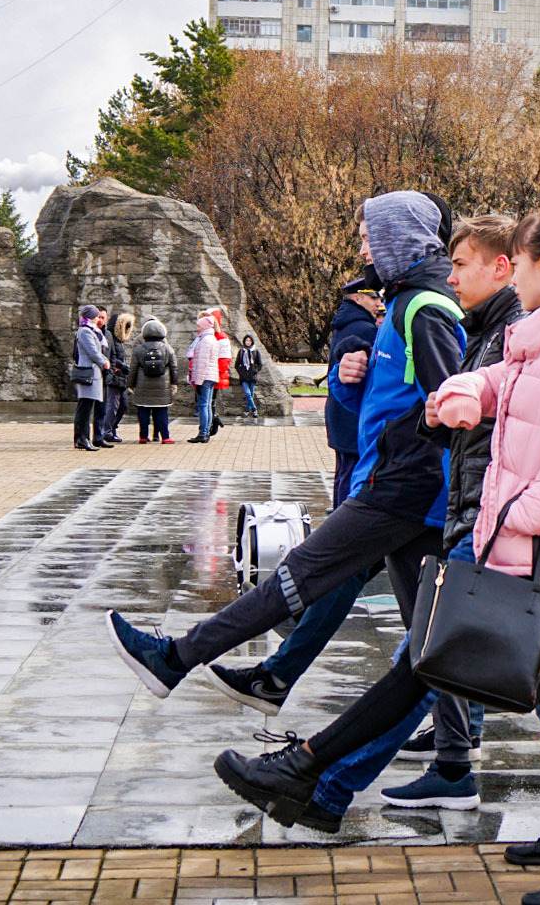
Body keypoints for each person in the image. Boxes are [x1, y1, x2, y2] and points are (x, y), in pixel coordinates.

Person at [210, 209, 540, 905]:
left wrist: (511, 520)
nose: (514, 275)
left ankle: (307, 769)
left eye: (521, 264)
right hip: (534, 552)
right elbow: (503, 385)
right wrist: (462, 392)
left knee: (426, 660)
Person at [207, 215, 525, 821]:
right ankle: (342, 780)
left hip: (471, 517)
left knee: (437, 657)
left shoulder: (499, 327)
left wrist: (503, 509)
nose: (452, 276)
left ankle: (314, 763)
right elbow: (445, 409)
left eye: (461, 265)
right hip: (458, 511)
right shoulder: (490, 328)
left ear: (513, 267)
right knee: (432, 658)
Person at [106, 191, 466, 711]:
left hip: (400, 484)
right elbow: (399, 395)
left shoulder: (422, 306)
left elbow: (452, 403)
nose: (362, 243)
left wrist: (420, 459)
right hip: (407, 482)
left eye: (369, 233)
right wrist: (348, 380)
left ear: (394, 236)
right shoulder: (407, 297)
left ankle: (177, 659)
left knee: (298, 574)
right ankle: (454, 760)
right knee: (429, 628)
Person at [324, 279, 382, 507]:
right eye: (373, 297)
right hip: (351, 414)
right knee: (352, 479)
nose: (378, 302)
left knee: (343, 474)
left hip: (339, 412)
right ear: (357, 298)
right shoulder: (364, 328)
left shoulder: (345, 323)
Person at [129, 318, 179, 443]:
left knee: (143, 411)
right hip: (163, 386)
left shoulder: (139, 349)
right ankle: (165, 436)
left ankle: (143, 436)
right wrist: (174, 383)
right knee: (162, 411)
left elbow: (133, 369)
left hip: (142, 385)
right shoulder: (168, 348)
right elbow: (174, 367)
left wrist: (131, 385)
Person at [72, 305, 113, 450]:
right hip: (89, 372)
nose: (98, 319)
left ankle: (82, 439)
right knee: (85, 408)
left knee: (85, 407)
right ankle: (83, 439)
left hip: (93, 373)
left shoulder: (90, 331)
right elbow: (93, 352)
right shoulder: (85, 331)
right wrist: (104, 362)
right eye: (96, 316)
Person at [103, 311, 136, 444]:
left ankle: (111, 428)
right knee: (113, 404)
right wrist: (121, 365)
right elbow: (109, 356)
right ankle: (107, 431)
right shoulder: (110, 336)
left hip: (120, 376)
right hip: (114, 375)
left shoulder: (118, 339)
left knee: (122, 405)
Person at [185, 315, 219, 443]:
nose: (198, 328)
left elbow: (202, 363)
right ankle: (206, 432)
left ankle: (203, 433)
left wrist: (197, 380)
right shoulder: (212, 339)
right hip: (211, 376)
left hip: (204, 377)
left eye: (199, 325)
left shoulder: (204, 341)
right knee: (208, 405)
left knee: (203, 405)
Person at [235, 335, 263, 418]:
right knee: (247, 393)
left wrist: (255, 371)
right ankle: (254, 409)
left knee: (251, 393)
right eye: (246, 340)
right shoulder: (241, 351)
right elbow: (237, 364)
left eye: (249, 341)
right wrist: (241, 372)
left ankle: (247, 410)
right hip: (244, 377)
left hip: (252, 376)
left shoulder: (255, 351)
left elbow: (260, 364)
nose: (248, 342)